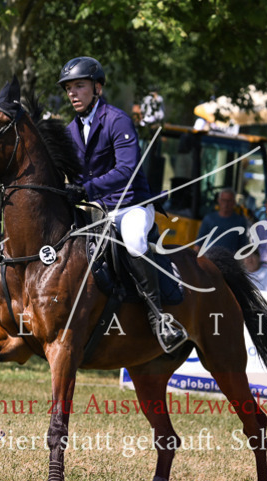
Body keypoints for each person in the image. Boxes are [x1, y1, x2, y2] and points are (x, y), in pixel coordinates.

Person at [57, 55, 186, 352]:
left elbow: (126, 170)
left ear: (97, 88)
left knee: (134, 241)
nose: (72, 93)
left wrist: (85, 188)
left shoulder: (117, 120)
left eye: (79, 86)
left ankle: (158, 318)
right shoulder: (71, 130)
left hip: (131, 205)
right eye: (68, 88)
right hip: (96, 208)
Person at [196, 189, 249, 258]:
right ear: (219, 201)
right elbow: (199, 244)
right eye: (223, 200)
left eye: (229, 201)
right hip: (209, 260)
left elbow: (242, 246)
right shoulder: (209, 219)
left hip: (230, 262)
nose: (226, 204)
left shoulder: (240, 221)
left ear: (234, 202)